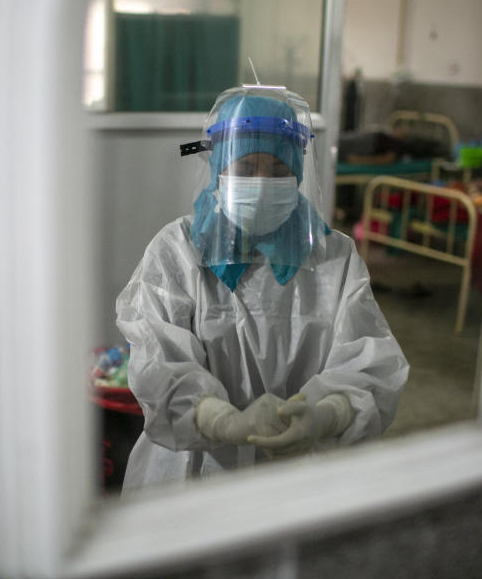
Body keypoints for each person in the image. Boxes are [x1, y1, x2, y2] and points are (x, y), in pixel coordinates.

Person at [116, 85, 408, 492]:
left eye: (277, 170)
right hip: (188, 474)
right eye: (247, 167)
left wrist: (326, 414)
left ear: (298, 174)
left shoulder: (332, 258)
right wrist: (219, 419)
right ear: (219, 167)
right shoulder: (177, 251)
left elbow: (370, 365)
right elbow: (157, 364)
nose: (262, 181)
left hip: (298, 476)